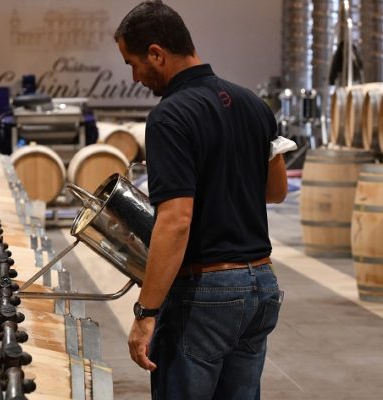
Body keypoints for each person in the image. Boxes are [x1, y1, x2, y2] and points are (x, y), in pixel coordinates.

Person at [113, 2, 288, 399]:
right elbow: (275, 192)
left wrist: (146, 314)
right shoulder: (253, 105)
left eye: (132, 63)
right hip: (261, 284)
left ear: (156, 53)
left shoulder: (169, 116)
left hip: (207, 291)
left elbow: (176, 220)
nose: (136, 76)